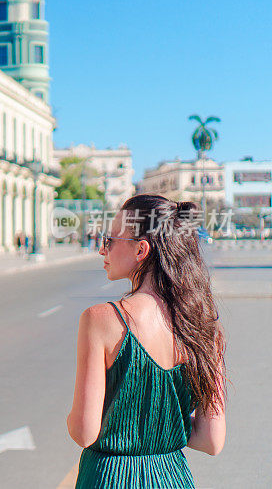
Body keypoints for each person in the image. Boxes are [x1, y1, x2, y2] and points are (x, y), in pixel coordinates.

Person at [68, 194, 226, 488]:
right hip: (172, 477)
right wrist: (161, 423)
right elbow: (211, 440)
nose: (103, 248)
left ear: (141, 249)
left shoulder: (102, 319)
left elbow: (84, 432)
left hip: (108, 478)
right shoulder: (204, 328)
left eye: (110, 239)